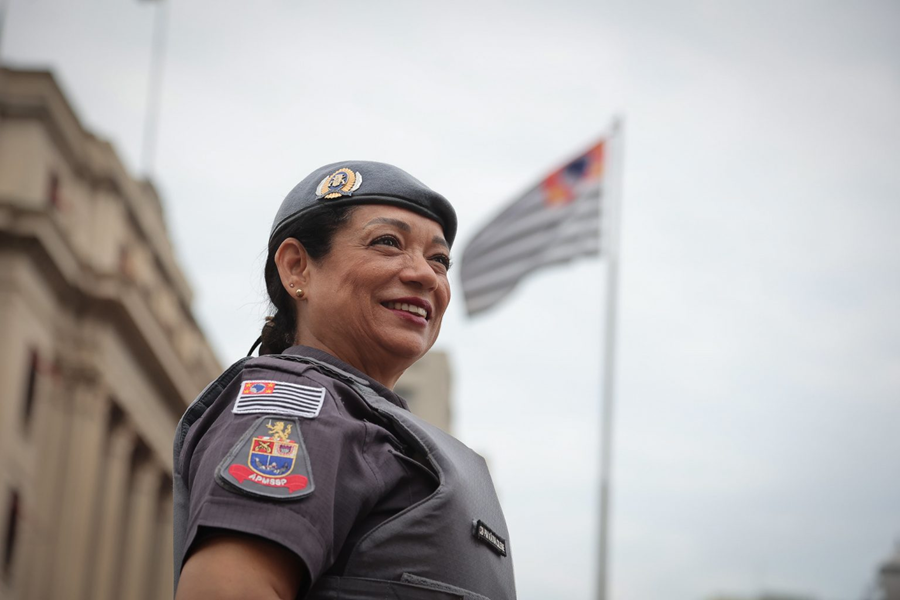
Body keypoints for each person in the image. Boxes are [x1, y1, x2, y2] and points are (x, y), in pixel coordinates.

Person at [172, 161, 517, 600]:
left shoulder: (374, 422)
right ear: (297, 268)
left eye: (439, 260)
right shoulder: (298, 405)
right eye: (388, 242)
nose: (425, 275)